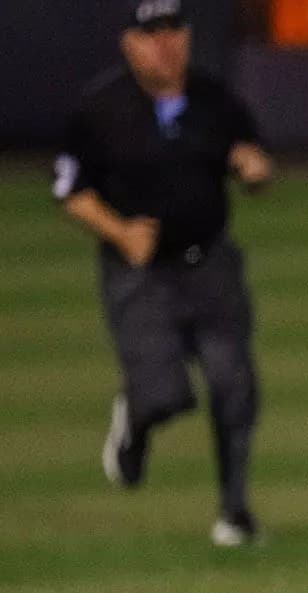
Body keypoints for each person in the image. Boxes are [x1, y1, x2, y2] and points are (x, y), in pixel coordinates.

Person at [53, 0, 274, 547]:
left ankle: (234, 512)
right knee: (164, 396)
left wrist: (255, 169)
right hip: (142, 277)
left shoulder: (215, 101)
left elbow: (250, 158)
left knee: (233, 387)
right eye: (151, 33)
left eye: (173, 30)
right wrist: (120, 231)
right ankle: (136, 422)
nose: (165, 43)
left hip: (211, 266)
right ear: (129, 44)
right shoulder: (101, 109)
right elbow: (69, 191)